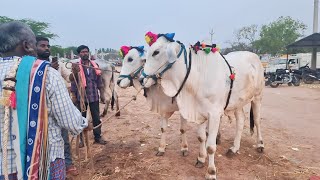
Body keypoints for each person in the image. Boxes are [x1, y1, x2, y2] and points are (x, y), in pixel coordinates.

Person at [0, 21, 88, 180]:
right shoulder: (46, 73)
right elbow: (71, 122)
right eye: (36, 44)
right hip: (43, 164)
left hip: (3, 166)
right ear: (27, 46)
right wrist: (84, 124)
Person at [36, 36, 79, 176]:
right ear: (32, 47)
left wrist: (75, 72)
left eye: (48, 45)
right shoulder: (30, 68)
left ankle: (68, 163)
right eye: (42, 45)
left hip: (59, 106)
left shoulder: (58, 65)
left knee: (63, 137)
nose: (46, 48)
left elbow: (70, 78)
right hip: (39, 109)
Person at [70, 45, 107, 145]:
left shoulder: (94, 65)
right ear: (79, 54)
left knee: (96, 118)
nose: (85, 53)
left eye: (86, 51)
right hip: (81, 97)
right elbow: (73, 81)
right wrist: (73, 96)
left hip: (94, 96)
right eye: (82, 52)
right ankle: (81, 140)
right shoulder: (76, 66)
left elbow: (99, 82)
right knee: (80, 118)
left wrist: (102, 94)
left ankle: (98, 137)